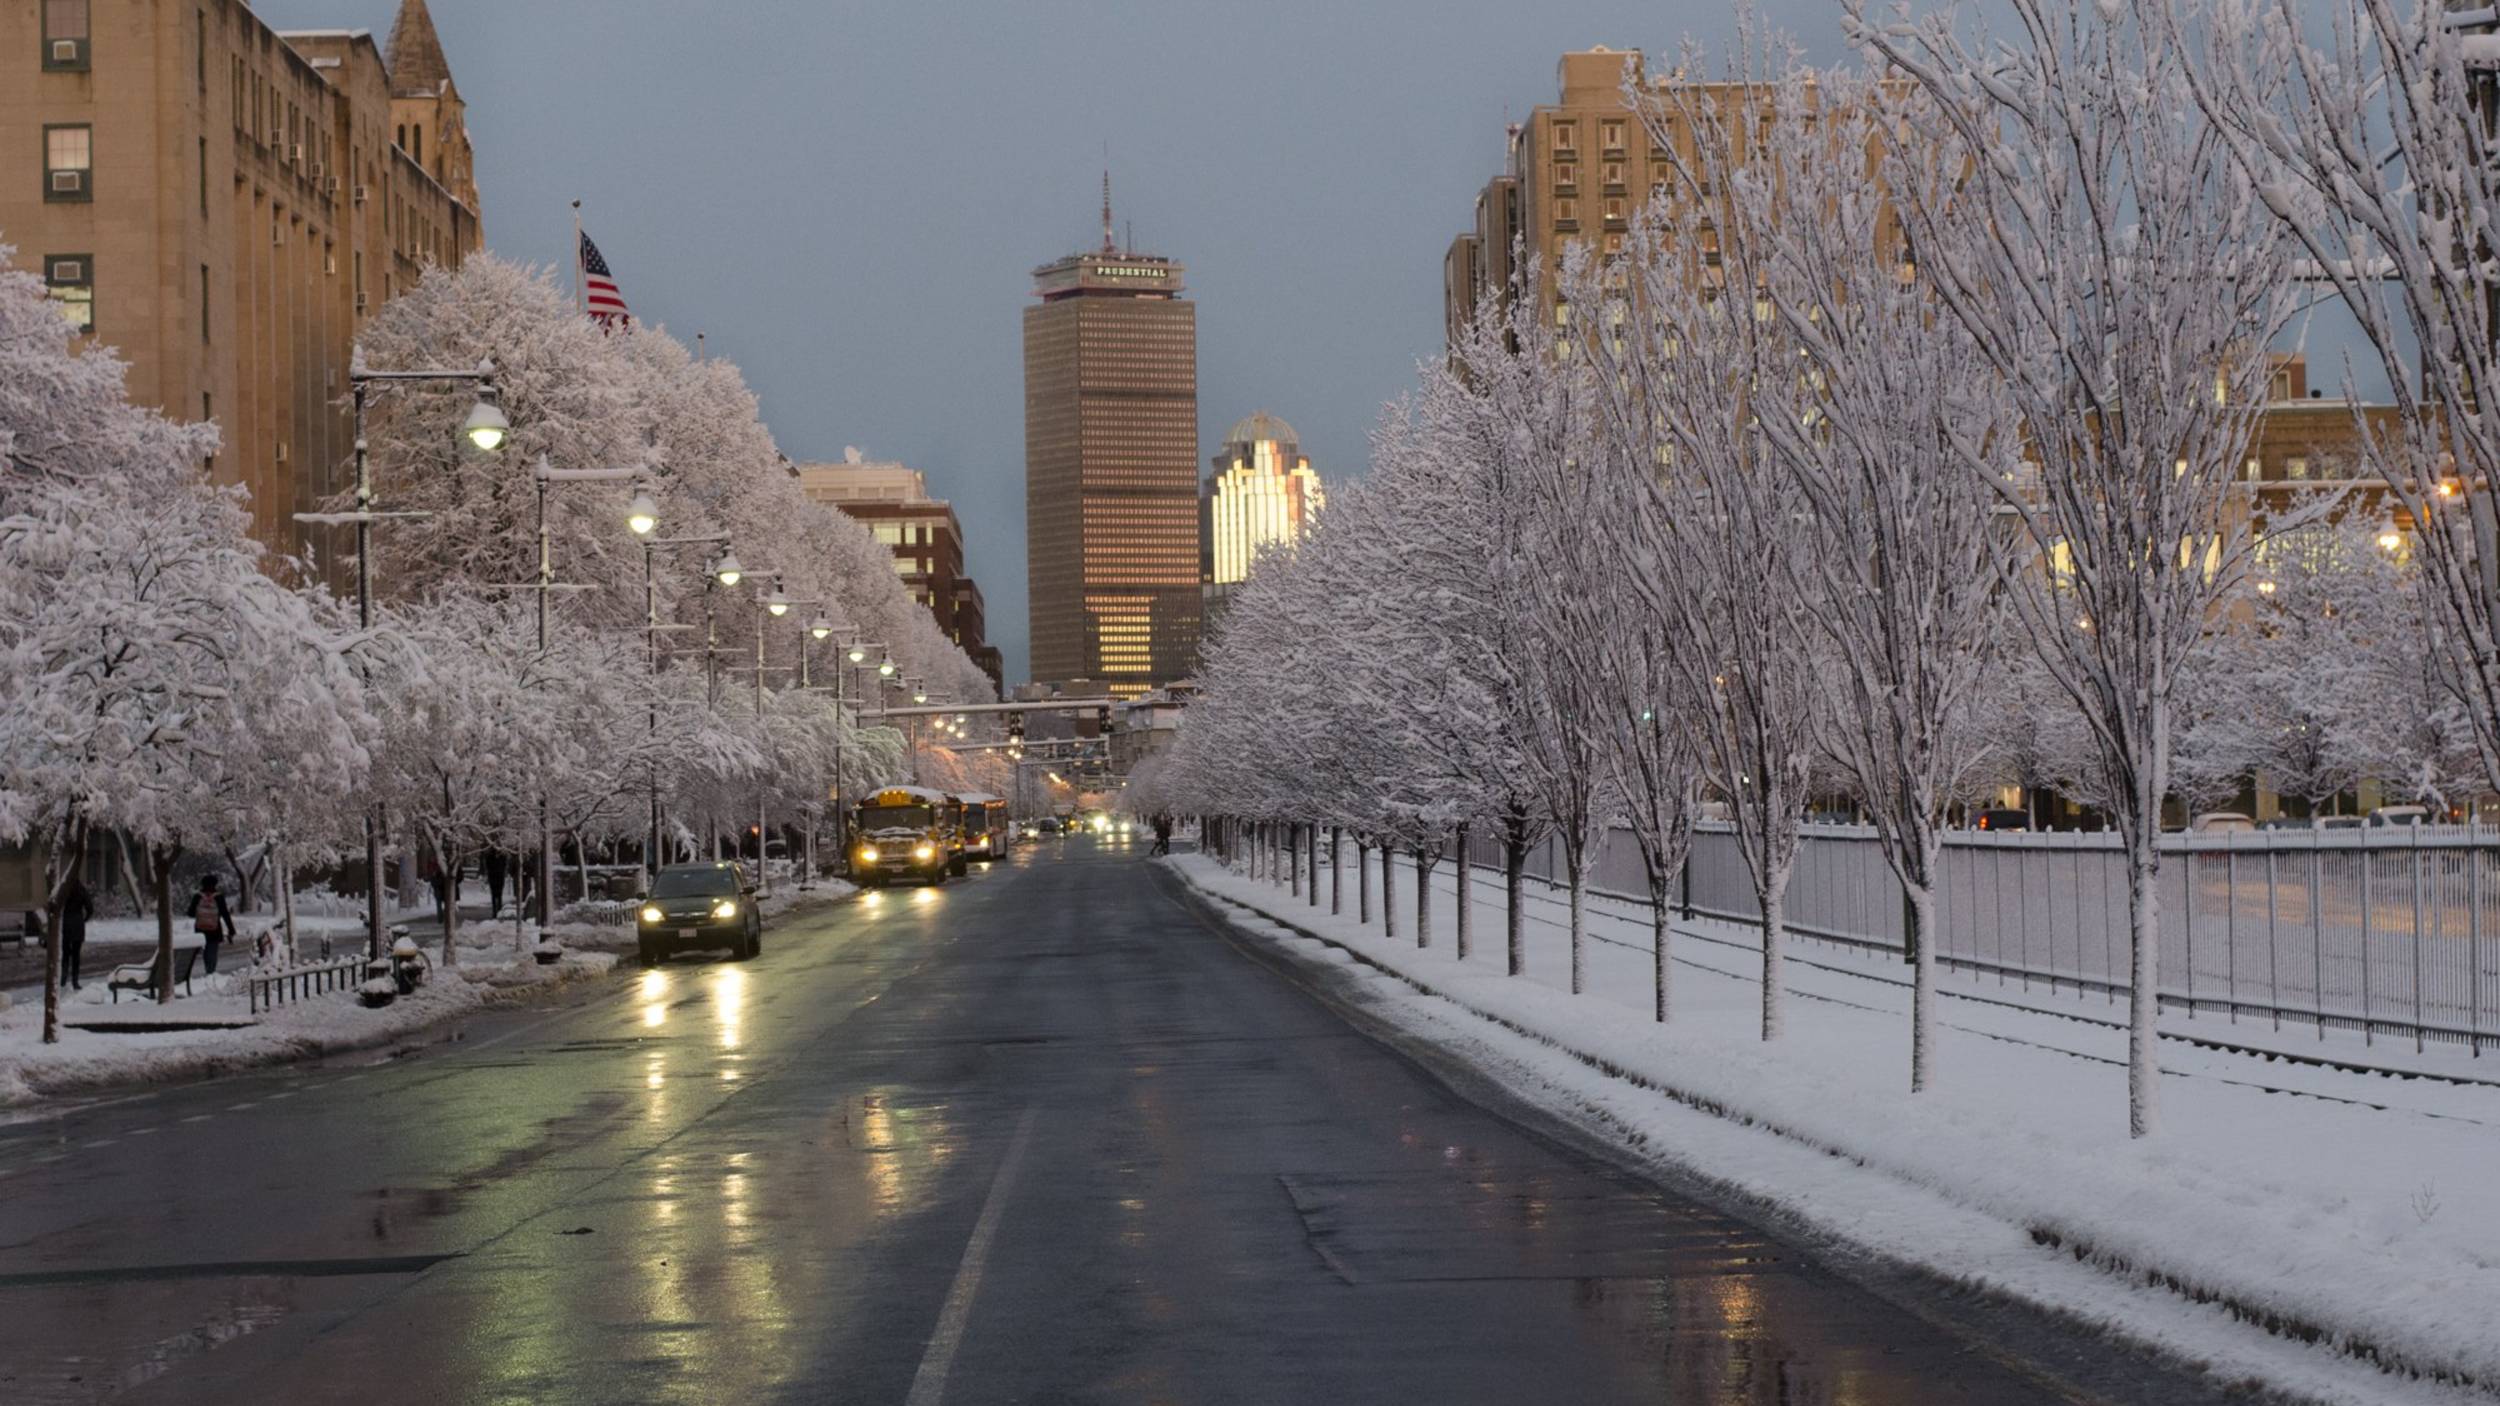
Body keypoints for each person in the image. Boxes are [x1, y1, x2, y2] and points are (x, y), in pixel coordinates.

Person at [192, 873, 236, 975]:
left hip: (200, 930)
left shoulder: (197, 897)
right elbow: (225, 914)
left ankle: (208, 970)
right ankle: (210, 973)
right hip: (215, 930)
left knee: (205, 952)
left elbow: (190, 913)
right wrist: (231, 929)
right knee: (212, 951)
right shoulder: (219, 897)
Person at [57, 877, 91, 988]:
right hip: (78, 924)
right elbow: (90, 908)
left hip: (67, 924)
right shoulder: (82, 890)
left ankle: (63, 978)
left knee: (66, 953)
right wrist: (84, 919)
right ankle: (75, 981)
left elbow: (57, 904)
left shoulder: (65, 890)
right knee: (76, 955)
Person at [483, 849, 508, 918]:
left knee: (499, 895)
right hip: (493, 878)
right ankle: (495, 911)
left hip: (499, 878)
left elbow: (504, 866)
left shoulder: (502, 857)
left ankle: (499, 910)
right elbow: (488, 867)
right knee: (494, 895)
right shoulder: (490, 857)